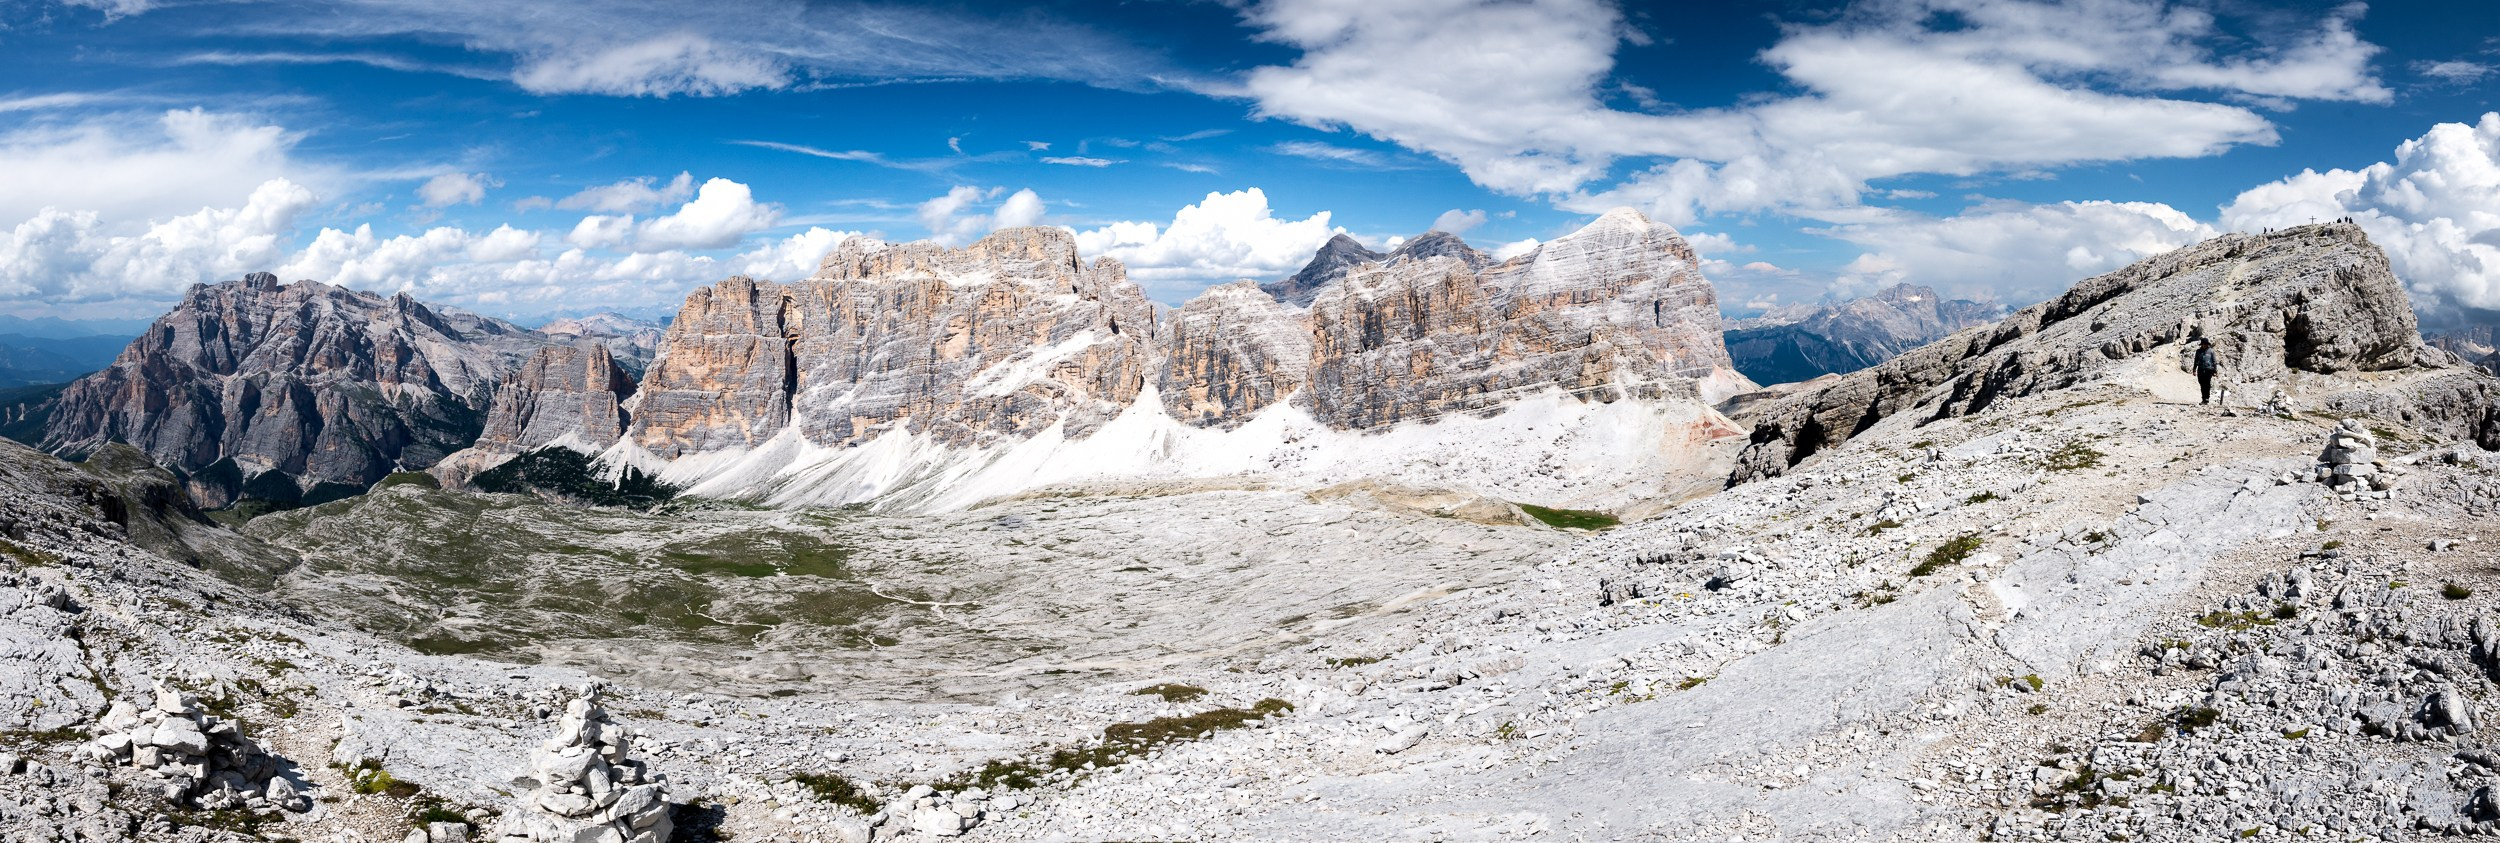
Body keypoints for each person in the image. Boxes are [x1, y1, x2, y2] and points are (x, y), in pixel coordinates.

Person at [2194, 338, 2220, 405]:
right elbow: (2196, 361)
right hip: (2200, 369)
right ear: (2201, 344)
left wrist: (2215, 371)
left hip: (2209, 370)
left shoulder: (2211, 351)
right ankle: (2203, 398)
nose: (2204, 345)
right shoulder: (2198, 351)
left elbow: (2214, 361)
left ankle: (2206, 399)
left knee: (2207, 384)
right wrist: (2194, 369)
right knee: (2202, 384)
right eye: (2203, 344)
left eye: (2206, 344)